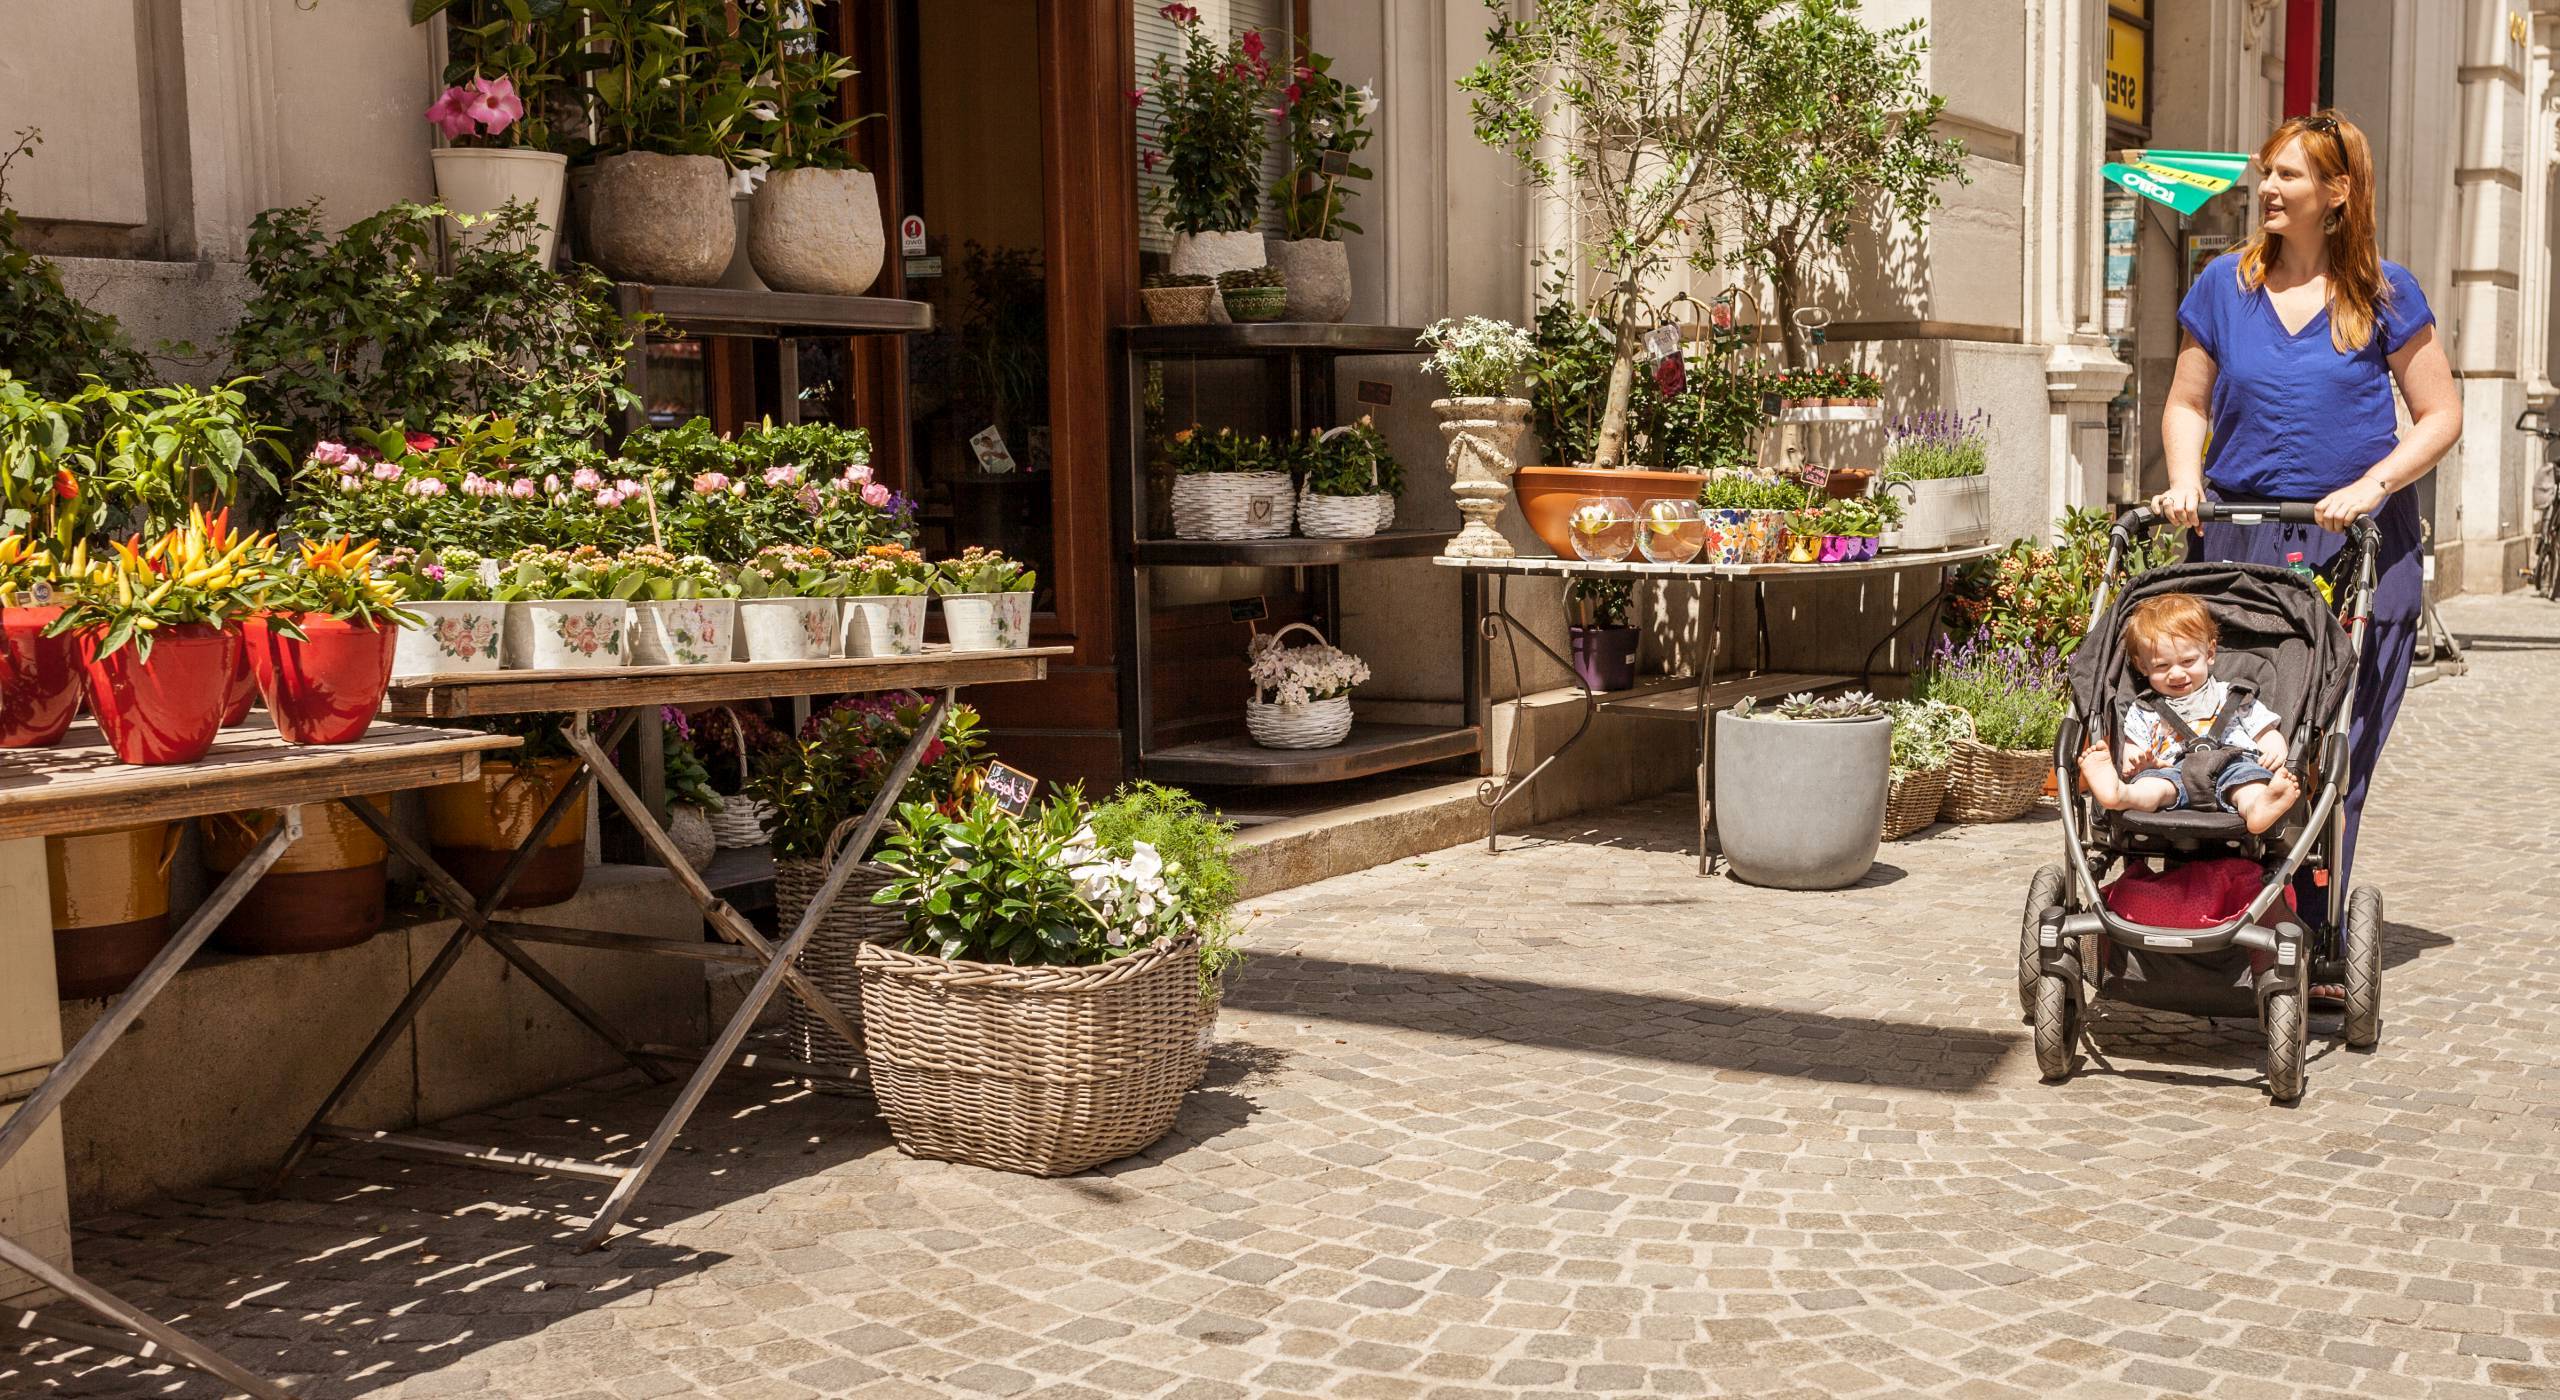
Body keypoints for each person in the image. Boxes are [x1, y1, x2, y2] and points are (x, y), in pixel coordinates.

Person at [2151, 109, 2461, 910]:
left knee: (2331, 750)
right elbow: (2188, 402)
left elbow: (2440, 416)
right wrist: (2185, 477)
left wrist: (2373, 485)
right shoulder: (2225, 284)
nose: (2267, 188)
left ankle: (2314, 927)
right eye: (2267, 171)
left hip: (2354, 544)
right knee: (2222, 732)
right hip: (2237, 544)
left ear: (2337, 192)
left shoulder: (2385, 293)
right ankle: (2211, 908)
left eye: (2288, 174)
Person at [2078, 594, 2299, 835]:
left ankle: (2257, 808)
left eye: (2187, 661)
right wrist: (2140, 764)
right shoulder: (2145, 709)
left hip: (2233, 764)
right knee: (2152, 787)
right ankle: (2119, 794)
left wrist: (2276, 748)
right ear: (2143, 666)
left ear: (2209, 654)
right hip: (2171, 770)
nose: (2176, 674)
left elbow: (2263, 729)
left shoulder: (2232, 696)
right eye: (2162, 666)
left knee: (2249, 784)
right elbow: (2133, 754)